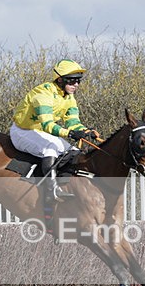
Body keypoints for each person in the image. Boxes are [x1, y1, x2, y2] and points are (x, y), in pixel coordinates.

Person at [9, 59, 95, 202]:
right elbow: (47, 125)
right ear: (60, 80)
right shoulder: (42, 95)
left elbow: (73, 122)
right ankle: (51, 190)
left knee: (73, 151)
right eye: (72, 81)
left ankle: (64, 183)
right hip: (22, 131)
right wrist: (70, 133)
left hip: (40, 132)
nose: (76, 85)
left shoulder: (69, 97)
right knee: (51, 148)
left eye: (78, 81)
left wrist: (85, 132)